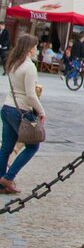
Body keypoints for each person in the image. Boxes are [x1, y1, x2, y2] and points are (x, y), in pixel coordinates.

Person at [0, 30, 46, 193]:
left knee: (6, 148)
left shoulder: (12, 62)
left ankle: (1, 183)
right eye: (35, 47)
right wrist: (41, 112)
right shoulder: (29, 67)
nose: (36, 50)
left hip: (6, 108)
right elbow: (30, 95)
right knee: (33, 147)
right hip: (21, 111)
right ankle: (8, 177)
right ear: (29, 49)